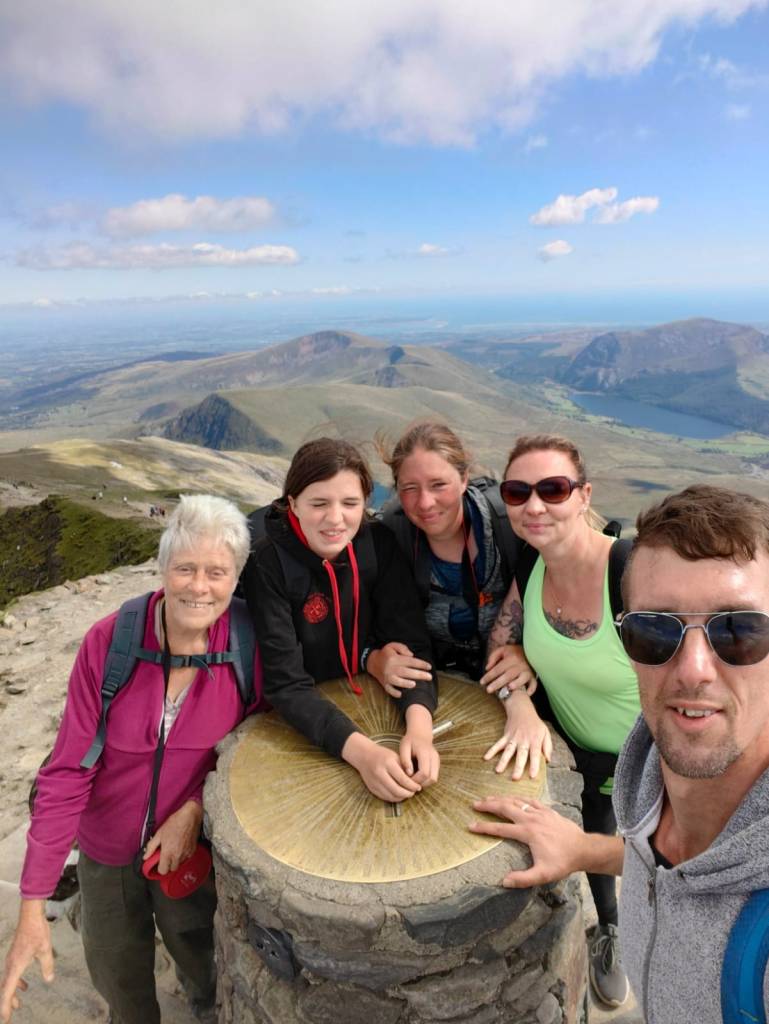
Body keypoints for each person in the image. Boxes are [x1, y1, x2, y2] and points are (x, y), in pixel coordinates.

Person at [472, 484, 769, 1023]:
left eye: (739, 631)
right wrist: (585, 851)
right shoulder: (652, 786)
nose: (694, 668)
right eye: (655, 631)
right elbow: (676, 872)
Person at [0, 495, 264, 1024]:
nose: (199, 586)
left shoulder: (246, 645)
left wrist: (194, 808)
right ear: (162, 568)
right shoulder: (109, 642)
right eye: (185, 568)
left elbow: (254, 743)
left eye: (217, 571)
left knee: (202, 963)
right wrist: (32, 905)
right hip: (106, 850)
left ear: (236, 578)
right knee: (117, 972)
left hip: (189, 852)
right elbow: (69, 771)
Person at [480, 434, 640, 1008]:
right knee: (597, 846)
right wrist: (519, 701)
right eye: (517, 492)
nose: (534, 505)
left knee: (664, 857)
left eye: (552, 489)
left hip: (652, 761)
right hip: (581, 753)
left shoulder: (629, 574)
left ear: (583, 495)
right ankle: (612, 931)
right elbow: (500, 647)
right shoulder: (533, 564)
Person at [240, 437, 440, 803]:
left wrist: (419, 729)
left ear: (366, 503)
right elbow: (286, 683)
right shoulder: (268, 565)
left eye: (350, 503)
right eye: (319, 503)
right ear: (292, 504)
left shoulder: (376, 545)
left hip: (366, 694)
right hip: (306, 717)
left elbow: (411, 643)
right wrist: (363, 755)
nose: (335, 519)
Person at [376, 421, 537, 778]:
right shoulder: (394, 536)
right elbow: (390, 626)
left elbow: (557, 602)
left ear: (464, 479)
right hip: (431, 689)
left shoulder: (509, 528)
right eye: (410, 489)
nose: (425, 503)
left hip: (516, 690)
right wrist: (375, 657)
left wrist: (531, 653)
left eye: (439, 485)